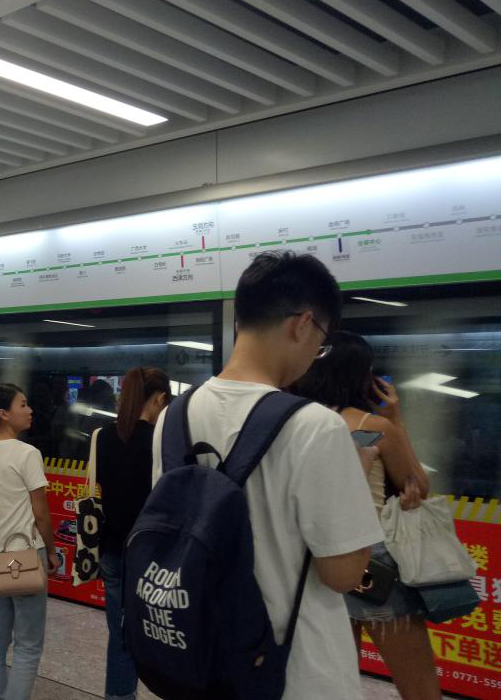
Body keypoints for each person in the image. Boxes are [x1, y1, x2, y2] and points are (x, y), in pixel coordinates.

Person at [151, 251, 384, 699]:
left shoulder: (172, 417)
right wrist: (355, 479)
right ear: (303, 324)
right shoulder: (316, 426)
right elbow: (342, 574)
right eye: (322, 341)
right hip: (295, 675)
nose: (317, 354)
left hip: (200, 662)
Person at [292, 331, 436, 700]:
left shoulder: (294, 422)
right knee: (419, 687)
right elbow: (417, 485)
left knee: (340, 681)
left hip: (317, 562)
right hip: (375, 566)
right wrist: (396, 419)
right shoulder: (374, 427)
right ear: (361, 376)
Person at [0, 383, 58, 700]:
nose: (30, 410)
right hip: (24, 557)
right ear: (3, 414)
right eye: (23, 404)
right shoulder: (26, 454)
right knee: (28, 646)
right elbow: (41, 513)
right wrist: (52, 552)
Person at [95, 366, 172, 700]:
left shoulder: (104, 436)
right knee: (155, 635)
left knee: (120, 634)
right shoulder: (159, 441)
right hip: (148, 555)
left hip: (111, 548)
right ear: (158, 399)